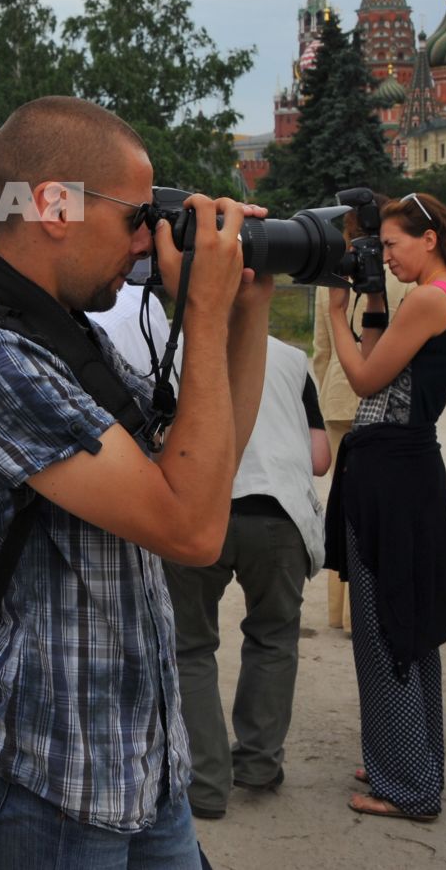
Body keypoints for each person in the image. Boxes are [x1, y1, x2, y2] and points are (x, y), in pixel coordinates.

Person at [0, 97, 272, 868]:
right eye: (137, 215)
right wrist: (197, 314)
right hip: (62, 775)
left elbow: (206, 474)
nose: (145, 242)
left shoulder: (72, 337)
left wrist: (244, 310)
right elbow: (195, 532)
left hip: (147, 757)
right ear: (54, 206)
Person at [323, 191, 446, 822]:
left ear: (429, 238)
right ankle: (406, 759)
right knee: (400, 624)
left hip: (392, 472)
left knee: (387, 629)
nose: (384, 255)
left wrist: (335, 312)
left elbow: (363, 379)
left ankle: (408, 785)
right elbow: (389, 361)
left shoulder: (432, 300)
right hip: (403, 470)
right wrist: (376, 298)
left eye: (392, 245)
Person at [164, 335, 331, 821]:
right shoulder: (292, 358)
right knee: (274, 638)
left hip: (201, 509)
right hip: (278, 514)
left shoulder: (177, 351)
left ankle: (206, 784)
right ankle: (259, 765)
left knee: (190, 646)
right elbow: (320, 457)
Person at [311, 206, 413, 633]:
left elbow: (321, 349)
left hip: (338, 392)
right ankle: (364, 610)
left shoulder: (332, 273)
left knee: (344, 502)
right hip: (384, 393)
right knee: (380, 505)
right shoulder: (401, 273)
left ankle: (339, 609)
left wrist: (330, 386)